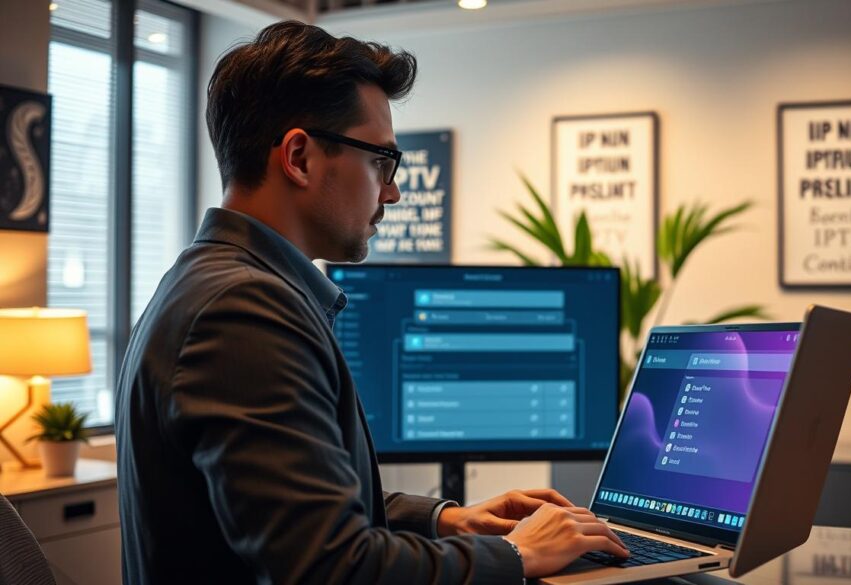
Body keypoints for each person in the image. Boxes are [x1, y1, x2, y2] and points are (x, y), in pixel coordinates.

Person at [114, 20, 627, 585]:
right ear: (300, 157)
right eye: (380, 160)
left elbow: (300, 506)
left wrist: (447, 518)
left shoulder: (212, 281)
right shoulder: (244, 312)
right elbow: (330, 568)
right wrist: (518, 556)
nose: (393, 191)